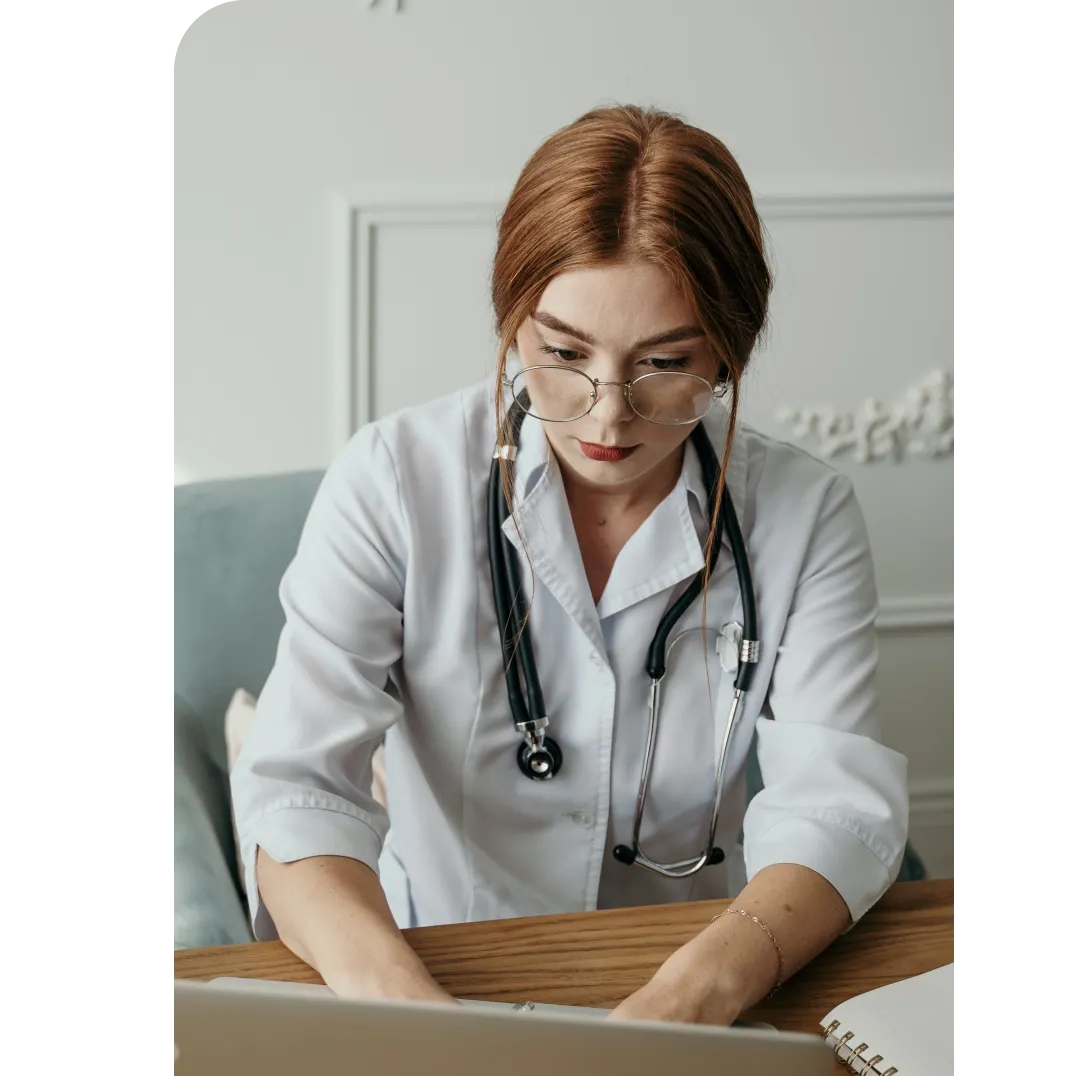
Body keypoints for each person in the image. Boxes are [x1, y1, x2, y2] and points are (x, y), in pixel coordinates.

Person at [230, 103, 909, 1027]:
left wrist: (675, 1011)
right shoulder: (395, 480)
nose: (606, 417)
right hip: (434, 960)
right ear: (511, 323)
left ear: (727, 351)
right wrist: (411, 1016)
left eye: (663, 362)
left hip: (694, 972)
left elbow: (835, 807)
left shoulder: (802, 513)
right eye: (561, 353)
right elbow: (298, 789)